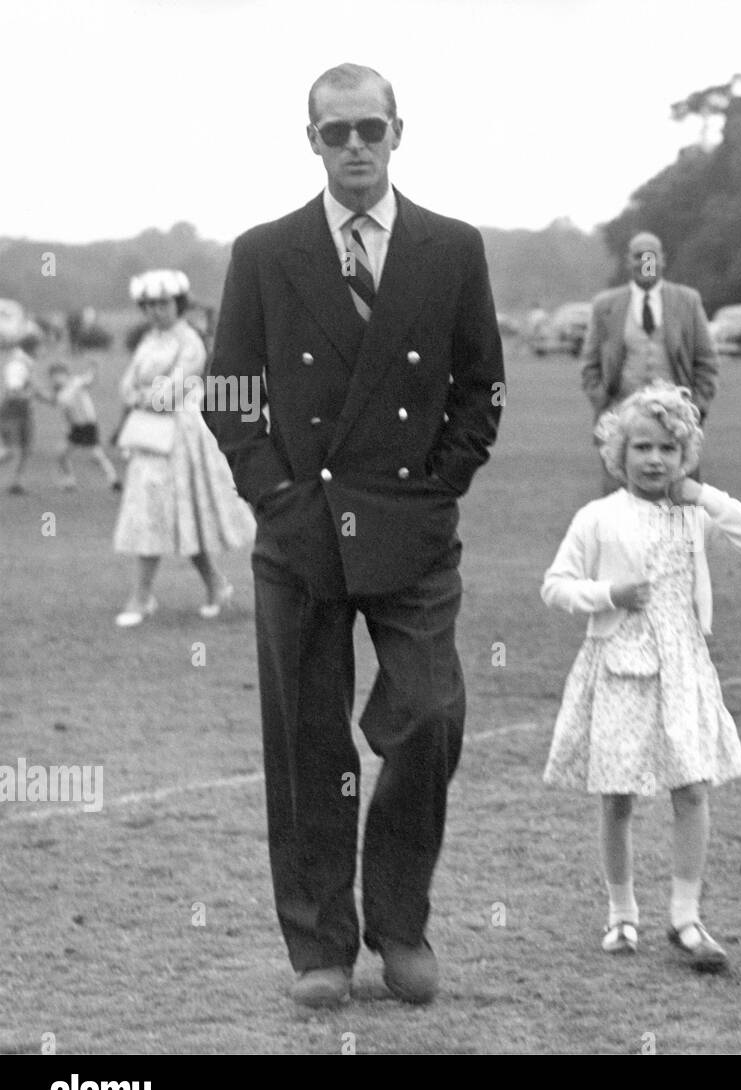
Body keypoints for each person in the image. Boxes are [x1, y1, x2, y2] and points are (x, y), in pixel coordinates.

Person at [203, 63, 505, 1009]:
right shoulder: (265, 251)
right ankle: (321, 948)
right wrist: (275, 496)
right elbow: (231, 391)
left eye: (370, 129)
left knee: (428, 716)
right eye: (336, 133)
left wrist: (438, 488)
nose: (356, 147)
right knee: (306, 742)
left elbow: (480, 387)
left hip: (411, 531)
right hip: (300, 537)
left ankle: (401, 923)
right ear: (313, 142)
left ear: (399, 132)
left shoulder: (451, 248)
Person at [541, 382, 741, 971]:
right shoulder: (598, 517)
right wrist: (607, 593)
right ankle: (621, 913)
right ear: (619, 453)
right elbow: (556, 586)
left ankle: (686, 917)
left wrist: (702, 494)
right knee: (618, 795)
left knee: (691, 786)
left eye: (668, 449)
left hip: (683, 665)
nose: (654, 460)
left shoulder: (694, 512)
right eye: (642, 447)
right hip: (619, 664)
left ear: (685, 455)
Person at [112, 270, 254, 627]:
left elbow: (171, 393)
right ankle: (197, 587)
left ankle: (151, 595)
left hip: (182, 437)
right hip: (149, 438)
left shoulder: (189, 340)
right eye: (150, 305)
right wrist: (146, 395)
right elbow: (126, 387)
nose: (156, 311)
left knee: (179, 513)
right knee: (154, 512)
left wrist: (147, 395)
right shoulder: (149, 340)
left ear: (178, 304)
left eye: (163, 304)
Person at [580, 232, 718, 492]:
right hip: (621, 422)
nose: (645, 261)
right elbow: (590, 366)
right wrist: (604, 404)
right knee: (618, 509)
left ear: (662, 260)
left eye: (651, 255)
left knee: (679, 507)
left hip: (676, 424)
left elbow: (707, 362)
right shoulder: (605, 305)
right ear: (628, 261)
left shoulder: (687, 301)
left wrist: (695, 410)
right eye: (638, 256)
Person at [46, 362, 120, 492]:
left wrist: (93, 369)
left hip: (87, 425)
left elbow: (88, 380)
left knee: (96, 454)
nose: (56, 379)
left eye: (58, 375)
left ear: (65, 375)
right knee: (62, 454)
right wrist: (68, 427)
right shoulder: (61, 394)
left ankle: (113, 480)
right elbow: (66, 413)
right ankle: (70, 481)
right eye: (53, 377)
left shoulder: (75, 383)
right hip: (76, 427)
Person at [0, 335, 41, 494]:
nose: (42, 351)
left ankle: (17, 483)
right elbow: (14, 391)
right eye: (40, 347)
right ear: (32, 348)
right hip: (11, 413)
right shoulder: (17, 365)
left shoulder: (28, 363)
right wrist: (31, 394)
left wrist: (51, 399)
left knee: (27, 448)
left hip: (25, 412)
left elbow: (33, 389)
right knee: (10, 452)